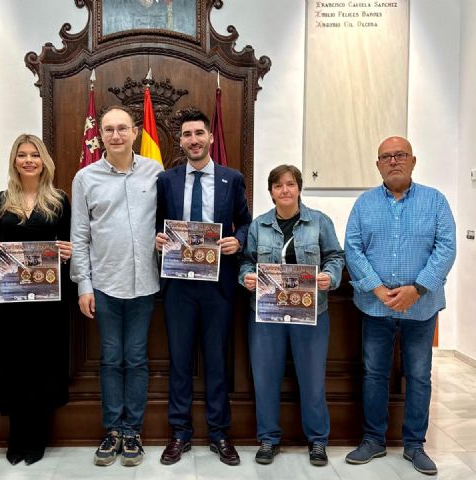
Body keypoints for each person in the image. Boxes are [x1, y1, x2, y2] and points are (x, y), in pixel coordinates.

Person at [344, 136, 456, 476]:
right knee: (374, 373)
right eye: (386, 157)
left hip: (421, 308)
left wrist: (417, 289)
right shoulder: (364, 204)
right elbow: (352, 249)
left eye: (400, 155)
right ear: (378, 164)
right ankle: (373, 440)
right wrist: (378, 289)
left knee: (419, 376)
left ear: (413, 161)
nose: (393, 161)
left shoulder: (435, 201)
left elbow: (446, 248)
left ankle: (414, 445)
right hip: (375, 307)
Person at [155, 108, 251, 466]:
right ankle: (179, 433)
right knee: (179, 361)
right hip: (178, 284)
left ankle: (219, 433)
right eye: (187, 135)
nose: (193, 140)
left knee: (216, 361)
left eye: (199, 133)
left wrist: (239, 241)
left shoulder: (232, 179)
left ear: (210, 137)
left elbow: (245, 222)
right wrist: (158, 239)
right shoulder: (166, 180)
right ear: (180, 142)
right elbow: (156, 224)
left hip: (218, 286)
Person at [70, 105, 163, 467]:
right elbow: (79, 235)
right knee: (110, 359)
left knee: (136, 359)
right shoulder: (85, 178)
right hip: (104, 285)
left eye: (122, 128)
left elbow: (169, 224)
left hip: (146, 285)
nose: (116, 135)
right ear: (101, 135)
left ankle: (133, 432)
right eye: (108, 129)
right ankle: (112, 431)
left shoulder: (156, 172)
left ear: (135, 132)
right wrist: (84, 284)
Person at [239, 164, 344, 466]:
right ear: (270, 192)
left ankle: (317, 440)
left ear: (299, 188)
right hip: (267, 314)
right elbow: (246, 262)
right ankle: (268, 439)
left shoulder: (319, 222)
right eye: (278, 186)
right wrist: (246, 277)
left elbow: (336, 256)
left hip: (311, 312)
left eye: (290, 184)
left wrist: (330, 275)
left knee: (312, 379)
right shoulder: (259, 226)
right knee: (265, 378)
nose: (284, 190)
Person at [0, 134, 73, 466]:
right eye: (22, 155)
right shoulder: (1, 201)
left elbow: (68, 246)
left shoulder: (59, 201)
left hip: (48, 300)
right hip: (12, 300)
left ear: (44, 161)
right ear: (14, 161)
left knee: (42, 365)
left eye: (35, 155)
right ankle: (16, 437)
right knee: (14, 365)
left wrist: (68, 252)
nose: (29, 160)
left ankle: (37, 437)